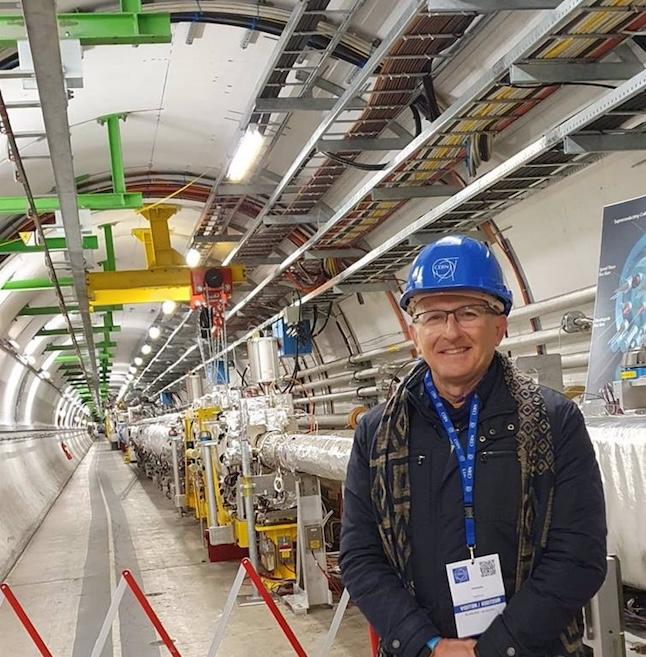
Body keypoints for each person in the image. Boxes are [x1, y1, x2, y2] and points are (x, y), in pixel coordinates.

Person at [339, 235, 607, 657]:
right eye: (432, 315)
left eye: (468, 312)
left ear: (499, 325)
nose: (450, 331)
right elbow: (360, 556)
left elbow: (578, 554)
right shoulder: (376, 435)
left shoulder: (554, 422)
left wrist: (501, 646)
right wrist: (426, 643)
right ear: (414, 332)